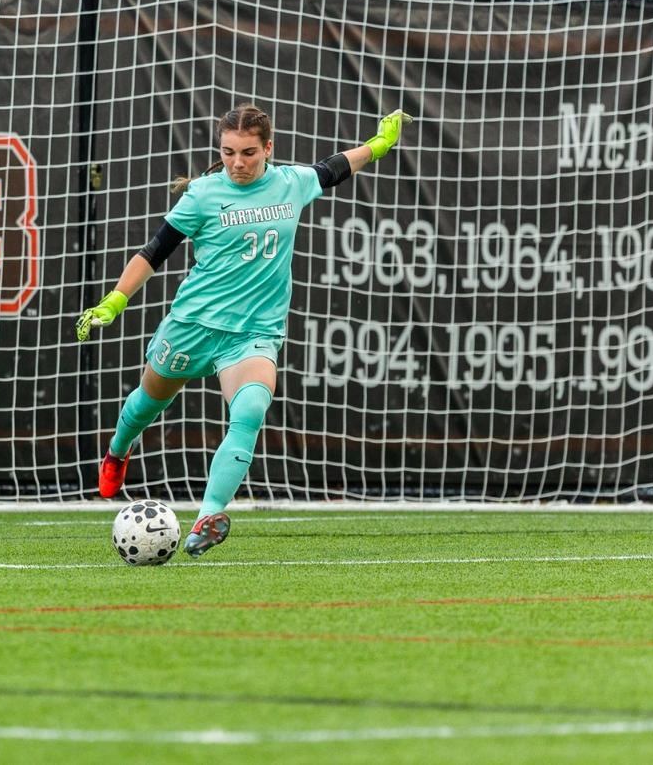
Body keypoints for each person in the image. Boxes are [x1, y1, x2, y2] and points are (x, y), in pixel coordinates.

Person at [75, 103, 412, 557]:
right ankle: (118, 451)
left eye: (249, 153)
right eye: (228, 152)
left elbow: (335, 167)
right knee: (148, 402)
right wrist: (115, 300)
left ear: (268, 148)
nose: (237, 162)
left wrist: (379, 144)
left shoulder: (291, 183)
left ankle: (208, 517)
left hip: (252, 333)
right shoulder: (202, 194)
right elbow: (154, 252)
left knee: (250, 409)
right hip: (193, 325)